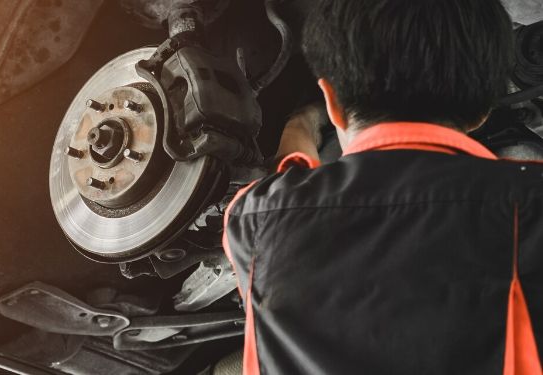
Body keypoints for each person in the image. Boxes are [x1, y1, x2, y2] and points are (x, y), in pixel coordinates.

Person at [222, 0, 543, 373]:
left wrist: (302, 120)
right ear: (482, 111)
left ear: (333, 103)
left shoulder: (253, 220)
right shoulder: (531, 204)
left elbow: (286, 176)